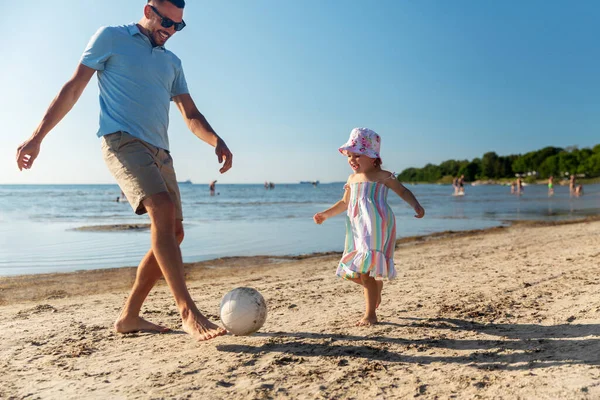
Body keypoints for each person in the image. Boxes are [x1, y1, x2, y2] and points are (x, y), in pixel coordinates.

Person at [15, 0, 233, 341]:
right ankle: (188, 312)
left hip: (161, 151)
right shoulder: (111, 38)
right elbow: (73, 88)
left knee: (174, 233)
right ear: (148, 11)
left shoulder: (171, 62)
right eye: (167, 22)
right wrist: (37, 137)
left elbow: (190, 113)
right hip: (121, 140)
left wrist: (215, 139)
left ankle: (129, 316)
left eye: (179, 26)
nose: (172, 31)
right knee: (161, 208)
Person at [313, 128, 425, 326]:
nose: (352, 160)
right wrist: (325, 214)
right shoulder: (352, 179)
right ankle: (375, 287)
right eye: (349, 156)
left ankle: (370, 314)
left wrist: (415, 204)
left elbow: (403, 191)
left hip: (376, 225)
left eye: (357, 155)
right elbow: (344, 203)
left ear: (373, 157)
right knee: (353, 271)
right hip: (357, 228)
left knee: (365, 272)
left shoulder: (383, 176)